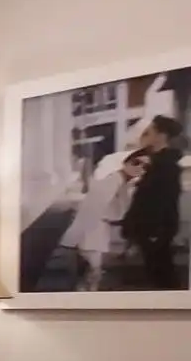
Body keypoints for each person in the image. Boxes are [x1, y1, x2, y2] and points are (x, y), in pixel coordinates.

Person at [59, 152, 146, 289]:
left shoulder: (122, 183)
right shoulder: (112, 181)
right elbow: (91, 209)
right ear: (125, 163)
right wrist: (72, 240)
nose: (139, 168)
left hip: (98, 232)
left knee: (92, 274)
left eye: (145, 166)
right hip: (92, 232)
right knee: (91, 274)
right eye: (136, 163)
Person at [121, 115, 186, 289]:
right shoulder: (155, 161)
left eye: (148, 132)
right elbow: (128, 162)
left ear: (161, 135)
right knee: (157, 271)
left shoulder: (166, 167)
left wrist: (156, 231)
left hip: (156, 228)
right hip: (151, 227)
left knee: (162, 273)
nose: (144, 135)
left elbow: (163, 201)